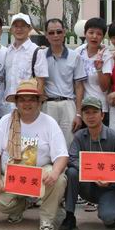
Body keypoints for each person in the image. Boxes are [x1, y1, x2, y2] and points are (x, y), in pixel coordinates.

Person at [0, 79, 68, 230]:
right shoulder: (5, 121)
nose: (27, 103)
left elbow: (62, 155)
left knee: (59, 179)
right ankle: (20, 207)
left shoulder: (49, 123)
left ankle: (47, 218)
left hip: (39, 174)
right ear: (16, 103)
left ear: (39, 102)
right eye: (22, 100)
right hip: (11, 176)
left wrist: (55, 172)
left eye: (31, 99)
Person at [58, 96, 115, 230]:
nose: (90, 116)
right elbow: (72, 158)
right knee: (71, 172)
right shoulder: (79, 136)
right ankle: (70, 216)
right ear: (82, 116)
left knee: (109, 218)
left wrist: (109, 180)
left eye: (95, 112)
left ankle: (109, 208)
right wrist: (92, 174)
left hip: (109, 187)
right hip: (87, 186)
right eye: (87, 113)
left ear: (102, 115)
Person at [41, 18, 87, 146]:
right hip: (48, 105)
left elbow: (79, 86)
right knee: (47, 143)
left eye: (59, 32)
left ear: (64, 32)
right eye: (51, 33)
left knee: (69, 144)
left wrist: (78, 113)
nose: (55, 35)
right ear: (46, 35)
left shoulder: (74, 56)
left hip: (68, 104)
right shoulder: (40, 55)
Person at [75, 17, 113, 125]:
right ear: (85, 33)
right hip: (82, 108)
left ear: (103, 36)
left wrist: (99, 69)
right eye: (91, 32)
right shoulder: (79, 52)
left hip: (99, 108)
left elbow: (105, 87)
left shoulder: (106, 55)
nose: (94, 36)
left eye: (99, 34)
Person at [4, 13, 48, 102]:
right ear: (11, 29)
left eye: (23, 26)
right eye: (16, 26)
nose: (19, 29)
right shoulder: (8, 51)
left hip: (27, 104)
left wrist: (36, 104)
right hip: (7, 104)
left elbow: (41, 82)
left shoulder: (37, 52)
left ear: (29, 28)